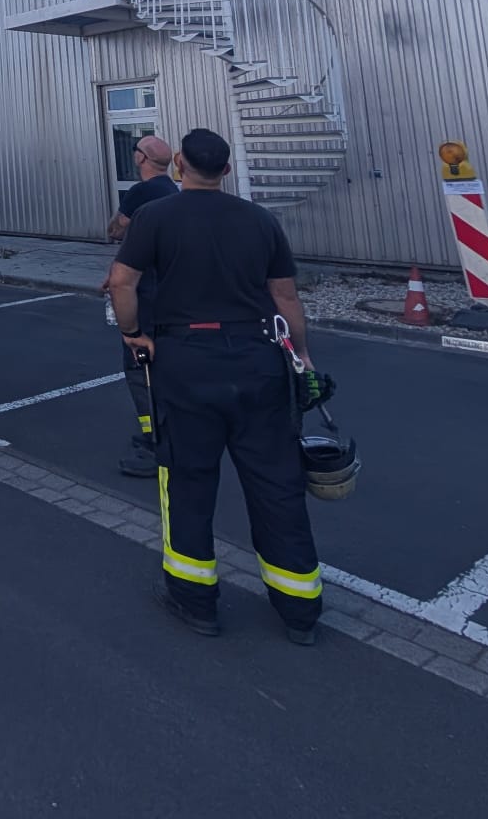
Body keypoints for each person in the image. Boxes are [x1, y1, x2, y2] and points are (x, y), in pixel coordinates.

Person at [105, 127, 326, 646]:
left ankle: (194, 600)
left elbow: (122, 282)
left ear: (178, 165)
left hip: (185, 365)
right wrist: (302, 356)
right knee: (277, 486)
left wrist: (134, 335)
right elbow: (287, 297)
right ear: (226, 170)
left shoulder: (156, 216)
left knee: (187, 482)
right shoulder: (260, 220)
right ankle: (300, 610)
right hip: (258, 361)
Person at [105, 134, 175, 478]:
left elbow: (116, 230)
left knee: (140, 370)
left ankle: (154, 442)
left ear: (141, 159)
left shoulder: (142, 193)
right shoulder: (174, 194)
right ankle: (172, 432)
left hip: (144, 297)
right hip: (171, 297)